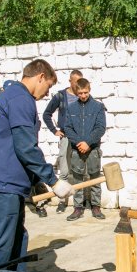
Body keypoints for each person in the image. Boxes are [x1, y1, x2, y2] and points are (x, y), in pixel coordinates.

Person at [0, 59, 72, 270]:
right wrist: (53, 181)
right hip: (3, 184)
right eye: (48, 86)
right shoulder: (21, 98)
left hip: (7, 183)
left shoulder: (13, 95)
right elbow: (25, 147)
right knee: (0, 248)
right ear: (40, 77)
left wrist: (37, 180)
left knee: (17, 241)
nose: (47, 93)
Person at [63, 78, 107, 221]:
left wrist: (88, 142)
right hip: (77, 149)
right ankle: (78, 208)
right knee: (76, 178)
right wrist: (78, 143)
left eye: (85, 92)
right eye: (80, 93)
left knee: (95, 177)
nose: (83, 96)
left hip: (93, 148)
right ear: (76, 91)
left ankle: (96, 206)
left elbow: (100, 128)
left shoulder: (98, 106)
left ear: (89, 89)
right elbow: (67, 128)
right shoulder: (71, 108)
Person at [43, 70, 82, 214]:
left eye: (80, 81)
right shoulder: (61, 96)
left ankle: (80, 204)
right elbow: (46, 114)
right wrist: (55, 130)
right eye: (76, 82)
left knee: (79, 171)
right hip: (65, 136)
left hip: (79, 137)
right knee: (64, 170)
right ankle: (61, 201)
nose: (78, 85)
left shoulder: (82, 95)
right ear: (70, 81)